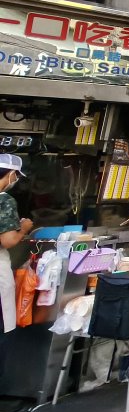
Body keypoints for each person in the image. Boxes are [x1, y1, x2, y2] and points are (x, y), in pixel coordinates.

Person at [0, 155, 32, 371]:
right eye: (16, 176)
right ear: (11, 174)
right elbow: (8, 240)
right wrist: (24, 229)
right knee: (3, 329)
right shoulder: (4, 200)